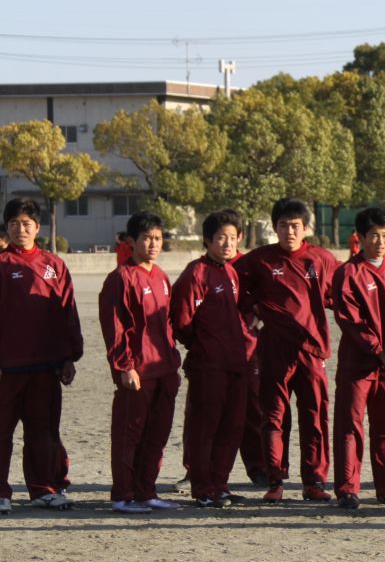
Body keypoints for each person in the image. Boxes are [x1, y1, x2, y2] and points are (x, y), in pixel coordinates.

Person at [236, 198, 341, 503]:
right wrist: (252, 308)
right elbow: (234, 283)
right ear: (275, 227)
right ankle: (276, 480)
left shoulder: (321, 259)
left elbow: (342, 294)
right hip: (274, 349)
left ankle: (314, 481)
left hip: (311, 350)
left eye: (295, 225)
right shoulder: (260, 260)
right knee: (274, 417)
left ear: (306, 227)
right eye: (283, 225)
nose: (289, 231)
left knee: (315, 416)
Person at [0, 198, 83, 514]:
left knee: (44, 430)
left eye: (25, 223)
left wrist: (69, 356)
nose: (20, 229)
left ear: (37, 227)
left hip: (46, 364)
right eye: (13, 224)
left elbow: (68, 313)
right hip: (8, 366)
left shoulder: (54, 265)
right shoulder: (2, 264)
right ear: (6, 227)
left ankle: (43, 489)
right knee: (2, 432)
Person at [170, 209, 254, 508]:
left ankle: (220, 484)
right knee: (204, 427)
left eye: (232, 238)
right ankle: (202, 488)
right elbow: (181, 322)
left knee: (231, 428)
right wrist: (205, 347)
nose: (227, 244)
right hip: (209, 366)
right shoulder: (196, 273)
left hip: (237, 363)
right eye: (221, 238)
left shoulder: (233, 272)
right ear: (207, 240)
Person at [99, 211, 183, 513]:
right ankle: (122, 495)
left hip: (165, 369)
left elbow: (168, 323)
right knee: (128, 435)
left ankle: (147, 491)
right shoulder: (120, 278)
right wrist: (124, 367)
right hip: (138, 372)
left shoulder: (161, 276)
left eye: (158, 238)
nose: (153, 243)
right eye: (146, 238)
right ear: (131, 241)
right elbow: (115, 327)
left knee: (157, 435)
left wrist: (173, 361)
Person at [331, 207, 385, 509]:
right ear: (360, 238)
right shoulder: (347, 273)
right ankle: (347, 489)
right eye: (374, 235)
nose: (380, 241)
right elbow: (351, 322)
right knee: (350, 424)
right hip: (359, 364)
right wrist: (382, 353)